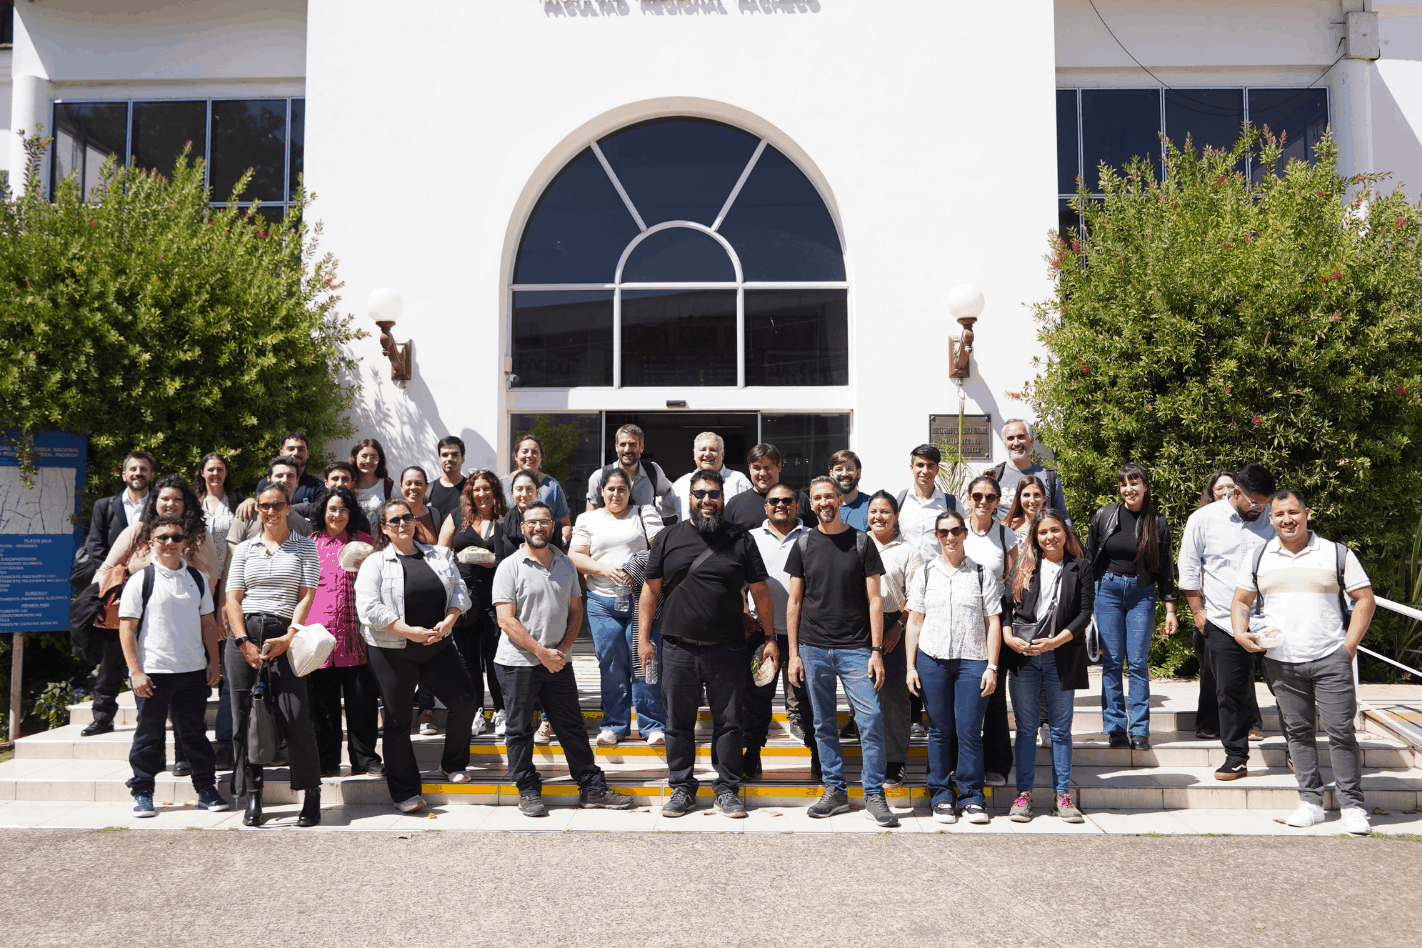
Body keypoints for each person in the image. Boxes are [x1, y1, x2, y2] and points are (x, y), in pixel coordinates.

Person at [1231, 489, 1377, 835]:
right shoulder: (1258, 556)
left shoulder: (1336, 553)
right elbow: (1241, 600)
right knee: (1297, 733)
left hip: (1330, 658)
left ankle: (1352, 806)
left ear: (1307, 513)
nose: (1287, 520)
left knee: (1341, 732)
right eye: (1280, 514)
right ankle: (1310, 802)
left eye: (1293, 512)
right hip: (1281, 661)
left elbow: (1364, 599)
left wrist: (1348, 647)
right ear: (1271, 518)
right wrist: (1239, 632)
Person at [638, 469, 776, 819]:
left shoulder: (741, 539)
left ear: (722, 498)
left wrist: (770, 638)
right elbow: (650, 590)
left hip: (728, 649)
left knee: (730, 723)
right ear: (689, 498)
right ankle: (682, 787)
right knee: (677, 723)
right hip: (677, 648)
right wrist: (643, 639)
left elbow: (760, 591)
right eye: (700, 494)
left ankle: (727, 788)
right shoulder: (668, 537)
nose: (707, 500)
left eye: (713, 494)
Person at [492, 501, 632, 817]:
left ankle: (591, 788)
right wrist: (541, 652)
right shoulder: (509, 567)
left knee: (571, 727)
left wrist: (563, 650)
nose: (538, 527)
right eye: (531, 522)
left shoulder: (566, 563)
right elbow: (505, 620)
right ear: (523, 527)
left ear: (552, 526)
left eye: (544, 521)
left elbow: (575, 611)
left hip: (558, 662)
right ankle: (528, 790)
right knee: (519, 729)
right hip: (518, 663)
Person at [355, 498, 481, 813]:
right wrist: (407, 630)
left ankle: (453, 763)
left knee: (465, 701)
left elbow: (460, 591)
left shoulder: (439, 555)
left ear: (415, 521)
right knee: (398, 720)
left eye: (407, 518)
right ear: (384, 528)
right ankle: (405, 791)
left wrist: (449, 620)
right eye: (394, 520)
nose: (402, 524)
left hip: (438, 646)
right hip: (392, 650)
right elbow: (368, 608)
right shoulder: (375, 563)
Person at [787, 476, 898, 827]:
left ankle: (874, 793)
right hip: (813, 647)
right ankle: (834, 789)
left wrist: (876, 650)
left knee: (871, 718)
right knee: (822, 722)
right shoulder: (803, 544)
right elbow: (794, 602)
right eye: (817, 498)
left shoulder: (862, 542)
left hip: (857, 647)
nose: (824, 502)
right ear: (812, 504)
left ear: (839, 499)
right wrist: (793, 653)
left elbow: (875, 600)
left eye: (829, 496)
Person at [92, 474, 221, 772]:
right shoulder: (138, 531)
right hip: (140, 627)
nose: (170, 503)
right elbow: (107, 567)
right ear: (155, 501)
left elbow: (211, 579)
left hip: (185, 630)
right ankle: (151, 764)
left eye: (177, 498)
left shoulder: (197, 535)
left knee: (186, 707)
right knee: (149, 706)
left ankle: (183, 756)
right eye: (164, 498)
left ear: (187, 503)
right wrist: (101, 597)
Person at [223, 482, 323, 827]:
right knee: (245, 720)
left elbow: (306, 595)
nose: (271, 511)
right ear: (258, 509)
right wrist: (242, 641)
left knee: (295, 716)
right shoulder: (245, 549)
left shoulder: (305, 547)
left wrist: (290, 635)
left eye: (277, 504)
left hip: (285, 633)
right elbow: (232, 599)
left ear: (288, 507)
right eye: (264, 505)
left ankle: (311, 793)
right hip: (245, 636)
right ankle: (254, 795)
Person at [118, 514, 228, 817]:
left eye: (176, 537)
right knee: (148, 736)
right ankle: (143, 791)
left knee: (195, 735)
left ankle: (206, 789)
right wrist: (135, 672)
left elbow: (208, 623)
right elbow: (126, 628)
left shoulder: (197, 578)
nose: (170, 542)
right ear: (151, 542)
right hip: (153, 672)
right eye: (163, 537)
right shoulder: (141, 580)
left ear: (184, 542)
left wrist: (214, 662)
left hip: (192, 671)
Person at [1177, 462, 1277, 779]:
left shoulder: (1273, 518)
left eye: (1264, 503)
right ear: (1236, 492)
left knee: (1286, 689)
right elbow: (1188, 568)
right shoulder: (1203, 519)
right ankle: (1236, 756)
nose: (1259, 509)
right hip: (1222, 620)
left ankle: (1296, 751)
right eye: (1254, 502)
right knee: (1228, 693)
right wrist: (1198, 612)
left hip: (1271, 621)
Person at [904, 509, 1002, 824]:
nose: (950, 537)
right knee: (939, 730)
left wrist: (992, 666)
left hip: (973, 661)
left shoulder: (981, 573)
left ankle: (972, 797)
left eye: (956, 531)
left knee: (969, 730)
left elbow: (993, 623)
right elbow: (914, 622)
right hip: (931, 660)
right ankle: (941, 796)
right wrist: (910, 666)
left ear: (964, 533)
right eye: (943, 532)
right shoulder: (925, 573)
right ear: (937, 536)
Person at [1001, 507, 1094, 824]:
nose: (1049, 536)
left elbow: (1084, 613)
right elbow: (1004, 607)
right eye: (1043, 532)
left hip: (1061, 657)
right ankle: (1023, 796)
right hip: (1025, 657)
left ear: (1065, 533)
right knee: (1027, 730)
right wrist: (1008, 637)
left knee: (1061, 730)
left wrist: (1056, 641)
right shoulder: (1024, 566)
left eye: (1055, 530)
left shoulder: (1080, 567)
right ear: (1035, 536)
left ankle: (1063, 797)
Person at [1084, 463, 1178, 750]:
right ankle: (1115, 728)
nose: (1129, 489)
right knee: (1112, 662)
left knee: (1137, 663)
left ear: (1145, 487)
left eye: (1134, 483)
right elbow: (1089, 558)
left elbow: (1165, 568)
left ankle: (1139, 730)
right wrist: (1085, 600)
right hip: (1108, 591)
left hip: (1141, 594)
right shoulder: (1105, 515)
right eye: (1124, 484)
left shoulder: (1157, 522)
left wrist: (1170, 608)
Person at [569, 468, 666, 746]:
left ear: (629, 491)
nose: (616, 494)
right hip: (601, 601)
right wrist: (603, 569)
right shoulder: (587, 519)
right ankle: (614, 725)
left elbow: (661, 549)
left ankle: (653, 725)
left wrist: (636, 568)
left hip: (642, 600)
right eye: (610, 489)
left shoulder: (644, 513)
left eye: (621, 489)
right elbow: (574, 556)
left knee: (646, 660)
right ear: (601, 491)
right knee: (611, 663)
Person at [306, 486, 384, 778]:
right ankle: (326, 760)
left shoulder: (366, 544)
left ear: (352, 514)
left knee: (362, 702)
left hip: (357, 637)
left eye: (343, 509)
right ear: (323, 512)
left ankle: (365, 759)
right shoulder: (309, 545)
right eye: (332, 509)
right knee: (323, 705)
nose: (337, 515)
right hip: (320, 636)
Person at [742, 483, 817, 780]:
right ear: (765, 506)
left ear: (797, 505)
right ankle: (752, 754)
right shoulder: (750, 538)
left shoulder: (813, 536)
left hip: (805, 633)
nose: (780, 505)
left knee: (809, 699)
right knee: (756, 698)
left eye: (787, 500)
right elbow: (737, 580)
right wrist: (744, 613)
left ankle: (818, 756)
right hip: (761, 632)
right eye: (774, 501)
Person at [76, 449, 153, 736]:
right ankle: (102, 716)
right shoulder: (104, 506)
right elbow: (95, 546)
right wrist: (112, 579)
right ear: (123, 474)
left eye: (143, 469)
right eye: (132, 469)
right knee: (111, 656)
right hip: (116, 591)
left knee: (149, 654)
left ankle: (150, 717)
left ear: (151, 475)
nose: (137, 473)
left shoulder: (159, 505)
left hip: (150, 588)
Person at [439, 469, 519, 738]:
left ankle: (501, 710)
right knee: (467, 657)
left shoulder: (506, 518)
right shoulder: (457, 516)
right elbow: (442, 553)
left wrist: (494, 561)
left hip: (498, 596)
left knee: (497, 655)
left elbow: (516, 554)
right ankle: (476, 711)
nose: (482, 494)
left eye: (487, 488)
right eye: (477, 489)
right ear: (469, 493)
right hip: (464, 596)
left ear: (495, 491)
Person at [866, 490, 923, 788]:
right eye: (873, 511)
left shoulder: (908, 551)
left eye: (885, 511)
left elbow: (916, 596)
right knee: (865, 696)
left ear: (896, 516)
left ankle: (895, 761)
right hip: (860, 627)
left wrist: (898, 626)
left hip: (895, 626)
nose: (879, 517)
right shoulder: (857, 543)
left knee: (893, 698)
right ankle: (871, 759)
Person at [194, 452, 242, 768]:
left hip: (227, 590)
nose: (215, 474)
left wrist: (225, 599)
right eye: (210, 469)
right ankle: (192, 744)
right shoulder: (190, 504)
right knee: (196, 670)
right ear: (201, 472)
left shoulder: (237, 503)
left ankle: (224, 742)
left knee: (228, 669)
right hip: (193, 593)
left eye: (220, 469)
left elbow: (237, 552)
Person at [585, 424, 676, 522]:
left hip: (645, 531)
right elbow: (590, 518)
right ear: (616, 447)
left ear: (641, 447)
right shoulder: (600, 476)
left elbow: (672, 492)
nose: (627, 449)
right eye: (622, 444)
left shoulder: (652, 471)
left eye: (632, 444)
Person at [225, 457, 315, 551]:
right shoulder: (247, 514)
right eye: (279, 475)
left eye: (290, 476)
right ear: (269, 479)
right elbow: (232, 552)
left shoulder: (303, 525)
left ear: (297, 481)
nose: (285, 480)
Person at [232, 431, 325, 520]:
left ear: (308, 454)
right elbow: (258, 509)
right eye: (291, 449)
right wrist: (250, 501)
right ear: (281, 453)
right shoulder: (265, 483)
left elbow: (321, 514)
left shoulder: (318, 486)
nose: (296, 453)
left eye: (301, 449)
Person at [991, 419, 1068, 524]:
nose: (1016, 443)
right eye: (1010, 438)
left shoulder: (1048, 476)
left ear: (1031, 441)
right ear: (1004, 444)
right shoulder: (994, 476)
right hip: (1003, 534)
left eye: (1021, 437)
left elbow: (1062, 516)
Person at [499, 434, 573, 543]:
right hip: (509, 549)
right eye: (525, 451)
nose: (529, 455)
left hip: (544, 549)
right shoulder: (501, 485)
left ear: (541, 457)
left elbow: (565, 524)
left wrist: (559, 543)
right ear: (516, 456)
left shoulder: (552, 486)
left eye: (534, 452)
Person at [723, 443, 812, 531]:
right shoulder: (735, 504)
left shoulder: (800, 499)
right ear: (750, 468)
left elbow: (813, 535)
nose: (762, 473)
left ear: (779, 466)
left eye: (767, 467)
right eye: (757, 468)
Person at [669, 431, 753, 521]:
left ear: (722, 455)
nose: (707, 453)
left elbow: (753, 512)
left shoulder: (739, 481)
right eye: (703, 449)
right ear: (694, 455)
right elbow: (659, 509)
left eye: (713, 450)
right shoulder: (682, 483)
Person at [896, 444, 955, 559]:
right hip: (906, 569)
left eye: (930, 466)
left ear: (937, 469)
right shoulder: (899, 500)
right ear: (912, 468)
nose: (925, 471)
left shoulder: (951, 503)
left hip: (939, 569)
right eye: (920, 465)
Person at [293, 462, 372, 535]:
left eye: (345, 480)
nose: (340, 484)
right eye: (335, 479)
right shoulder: (307, 510)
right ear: (326, 483)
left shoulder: (360, 519)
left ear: (352, 484)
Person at [351, 438, 396, 528]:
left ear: (379, 459)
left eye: (373, 456)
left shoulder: (389, 487)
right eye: (364, 456)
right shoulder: (347, 486)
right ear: (355, 457)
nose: (368, 460)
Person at [399, 466, 444, 544]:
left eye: (418, 483)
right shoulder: (392, 517)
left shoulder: (436, 515)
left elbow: (445, 546)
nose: (413, 487)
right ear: (401, 487)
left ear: (426, 487)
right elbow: (381, 543)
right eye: (408, 483)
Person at [829, 449, 871, 532]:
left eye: (849, 469)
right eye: (839, 469)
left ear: (858, 473)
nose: (844, 474)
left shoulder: (871, 505)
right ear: (831, 474)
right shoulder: (824, 507)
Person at [428, 435, 467, 518]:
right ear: (439, 459)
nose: (449, 459)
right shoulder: (427, 491)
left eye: (455, 455)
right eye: (445, 455)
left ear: (462, 459)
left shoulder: (472, 488)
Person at [1005, 474, 1047, 545]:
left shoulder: (1053, 526)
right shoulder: (1007, 526)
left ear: (1044, 498)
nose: (1032, 500)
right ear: (1019, 498)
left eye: (1036, 495)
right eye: (1026, 495)